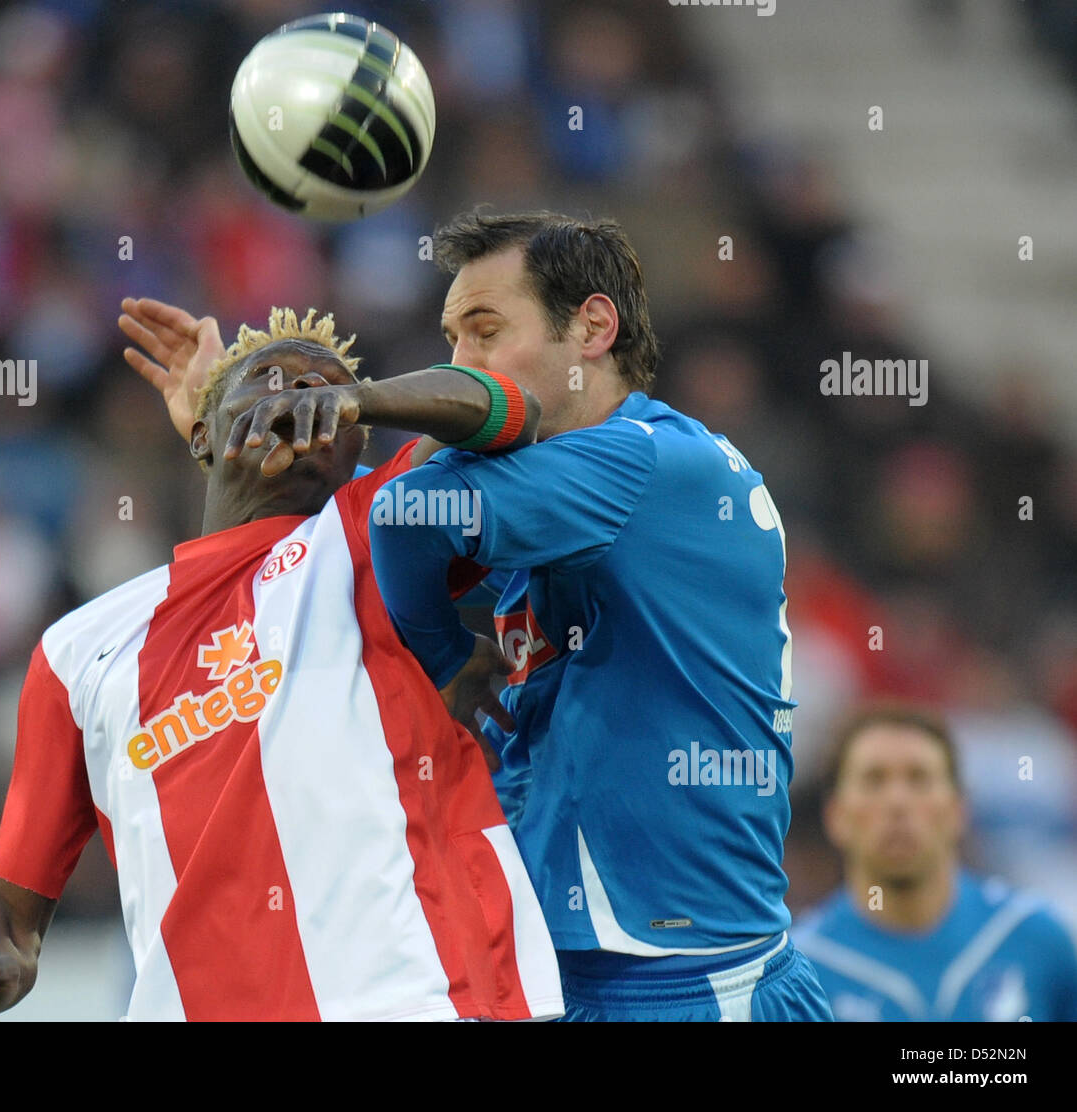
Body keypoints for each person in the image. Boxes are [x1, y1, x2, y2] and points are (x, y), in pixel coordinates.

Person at [0, 304, 564, 1022]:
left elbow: (511, 413)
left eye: (323, 391)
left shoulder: (367, 538)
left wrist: (360, 398)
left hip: (416, 1001)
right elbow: (8, 920)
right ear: (201, 432)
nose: (297, 396)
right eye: (269, 380)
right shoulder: (77, 652)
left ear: (352, 454)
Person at [366, 210, 832, 1021]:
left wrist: (446, 658)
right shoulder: (548, 492)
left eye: (485, 331)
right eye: (451, 340)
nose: (460, 366)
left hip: (687, 984)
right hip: (561, 974)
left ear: (592, 327)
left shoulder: (647, 462)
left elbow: (403, 514)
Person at [793, 702, 1077, 1021]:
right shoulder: (798, 971)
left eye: (919, 779)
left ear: (958, 809)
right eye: (874, 780)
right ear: (835, 816)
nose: (897, 802)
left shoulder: (1036, 939)